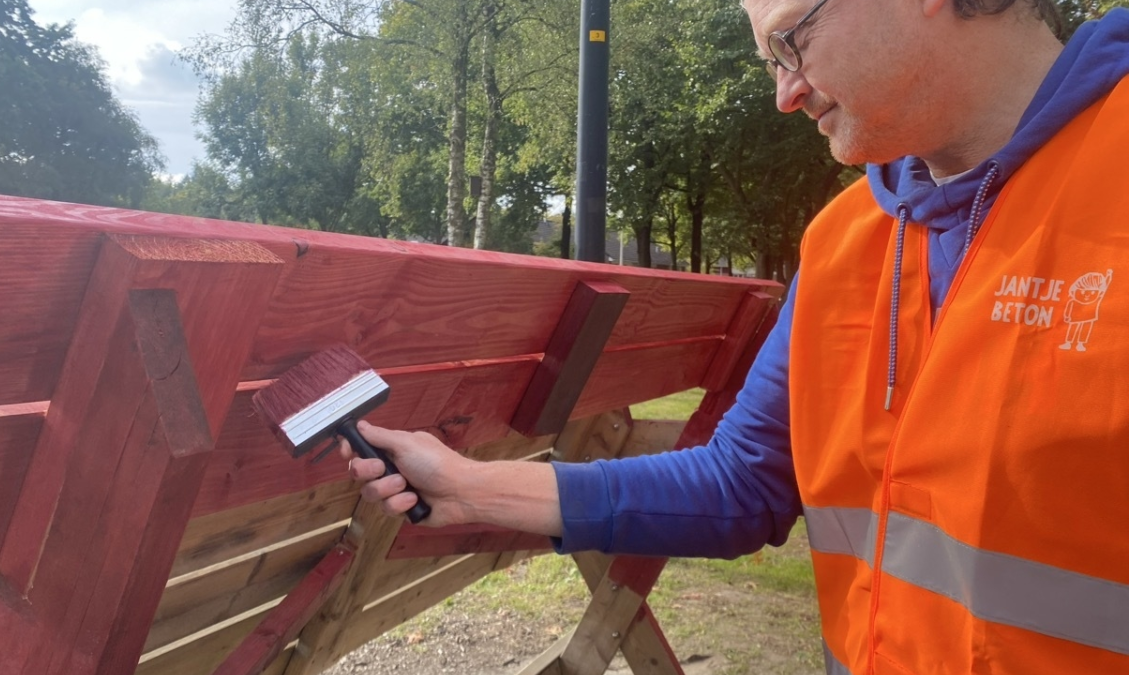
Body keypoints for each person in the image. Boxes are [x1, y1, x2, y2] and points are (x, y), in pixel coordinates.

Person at [344, 1, 1129, 673]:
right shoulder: (844, 242)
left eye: (792, 41)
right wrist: (465, 485)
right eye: (767, 61)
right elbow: (743, 483)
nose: (785, 94)